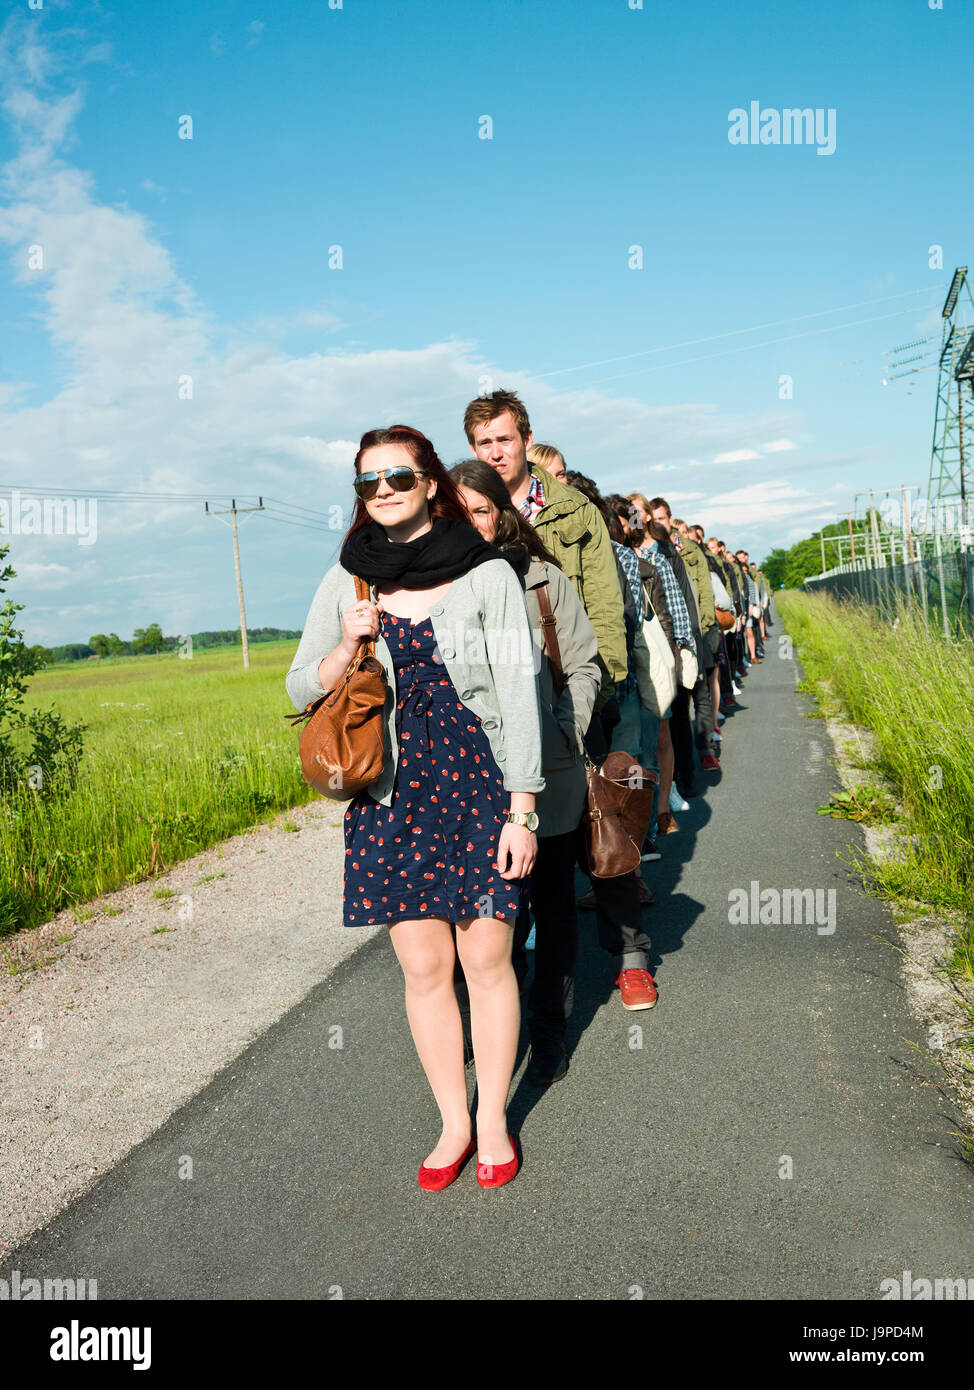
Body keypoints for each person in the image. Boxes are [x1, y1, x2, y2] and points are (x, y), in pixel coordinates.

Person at [286, 425, 543, 1191]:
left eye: (400, 475)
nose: (386, 490)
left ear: (431, 482)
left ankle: (493, 1117)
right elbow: (302, 685)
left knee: (486, 959)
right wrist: (344, 644)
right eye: (370, 481)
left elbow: (520, 697)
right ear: (361, 494)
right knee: (425, 967)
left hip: (480, 788)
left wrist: (522, 810)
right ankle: (452, 1122)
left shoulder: (486, 572)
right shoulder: (348, 578)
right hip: (393, 796)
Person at [463, 391, 656, 1011]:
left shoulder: (572, 510)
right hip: (505, 707)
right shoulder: (464, 510)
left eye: (504, 439)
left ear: (525, 438)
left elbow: (604, 601)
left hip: (579, 690)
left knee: (606, 828)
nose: (495, 452)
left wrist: (593, 694)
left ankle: (630, 958)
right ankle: (509, 985)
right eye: (483, 443)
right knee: (518, 840)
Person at [451, 459, 601, 1084]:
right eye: (457, 513)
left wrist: (564, 730)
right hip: (468, 783)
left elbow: (587, 665)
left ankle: (548, 1032)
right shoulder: (435, 589)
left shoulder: (543, 580)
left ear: (502, 516)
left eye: (481, 510)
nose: (470, 523)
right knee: (485, 918)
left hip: (553, 776)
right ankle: (484, 1031)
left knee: (553, 906)